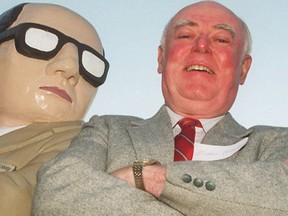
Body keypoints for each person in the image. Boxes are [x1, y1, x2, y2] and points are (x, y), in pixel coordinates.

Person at [32, 1, 288, 215]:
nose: (201, 46)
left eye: (221, 39)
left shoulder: (275, 142)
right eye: (186, 35)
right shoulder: (109, 129)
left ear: (243, 69)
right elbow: (57, 191)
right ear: (161, 59)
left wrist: (148, 177)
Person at [0, 2, 109, 216]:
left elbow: (27, 194)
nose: (70, 67)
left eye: (90, 63)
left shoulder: (88, 142)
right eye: (41, 40)